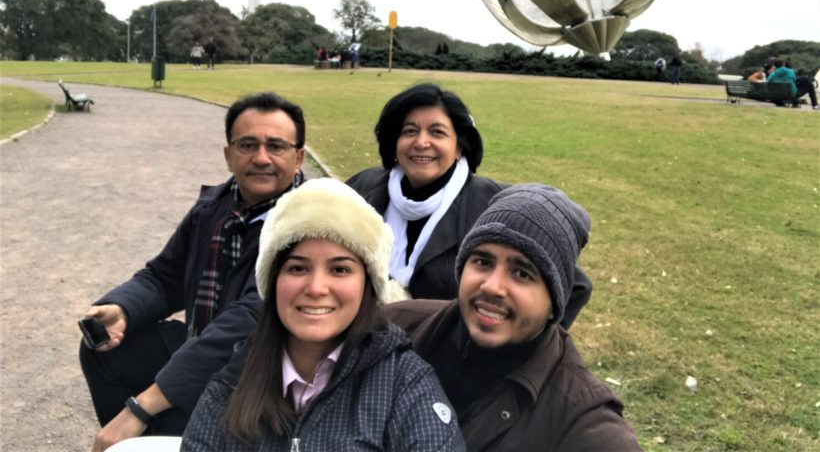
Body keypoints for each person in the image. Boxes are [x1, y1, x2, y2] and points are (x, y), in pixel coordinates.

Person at [79, 92, 307, 451]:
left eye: (275, 146)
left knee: (169, 411)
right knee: (104, 347)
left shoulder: (307, 224)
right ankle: (138, 442)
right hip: (203, 340)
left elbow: (248, 321)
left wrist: (142, 406)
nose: (261, 158)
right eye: (247, 144)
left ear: (298, 159)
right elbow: (165, 275)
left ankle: (158, 434)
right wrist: (122, 308)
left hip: (265, 373)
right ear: (228, 155)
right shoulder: (213, 208)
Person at [181, 178, 465, 451]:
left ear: (368, 284)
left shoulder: (405, 385)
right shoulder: (233, 380)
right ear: (273, 280)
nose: (316, 288)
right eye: (297, 268)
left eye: (340, 269)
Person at [386, 184, 643, 451]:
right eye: (483, 262)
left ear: (554, 304)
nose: (492, 287)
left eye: (522, 273)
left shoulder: (577, 417)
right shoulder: (394, 327)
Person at [347, 83, 592, 328]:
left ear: (459, 147)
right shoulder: (363, 187)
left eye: (437, 132)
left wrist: (524, 347)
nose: (421, 142)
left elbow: (575, 286)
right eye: (410, 131)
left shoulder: (497, 205)